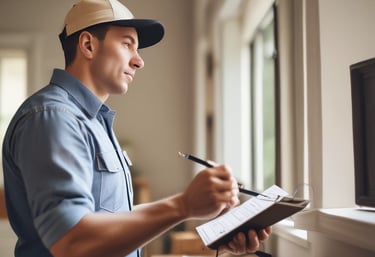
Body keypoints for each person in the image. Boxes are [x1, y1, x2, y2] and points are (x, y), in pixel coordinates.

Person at [2, 1, 271, 257]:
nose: (139, 61)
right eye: (127, 44)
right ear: (87, 45)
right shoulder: (54, 118)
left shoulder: (92, 121)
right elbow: (72, 242)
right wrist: (183, 204)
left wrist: (214, 234)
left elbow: (109, 218)